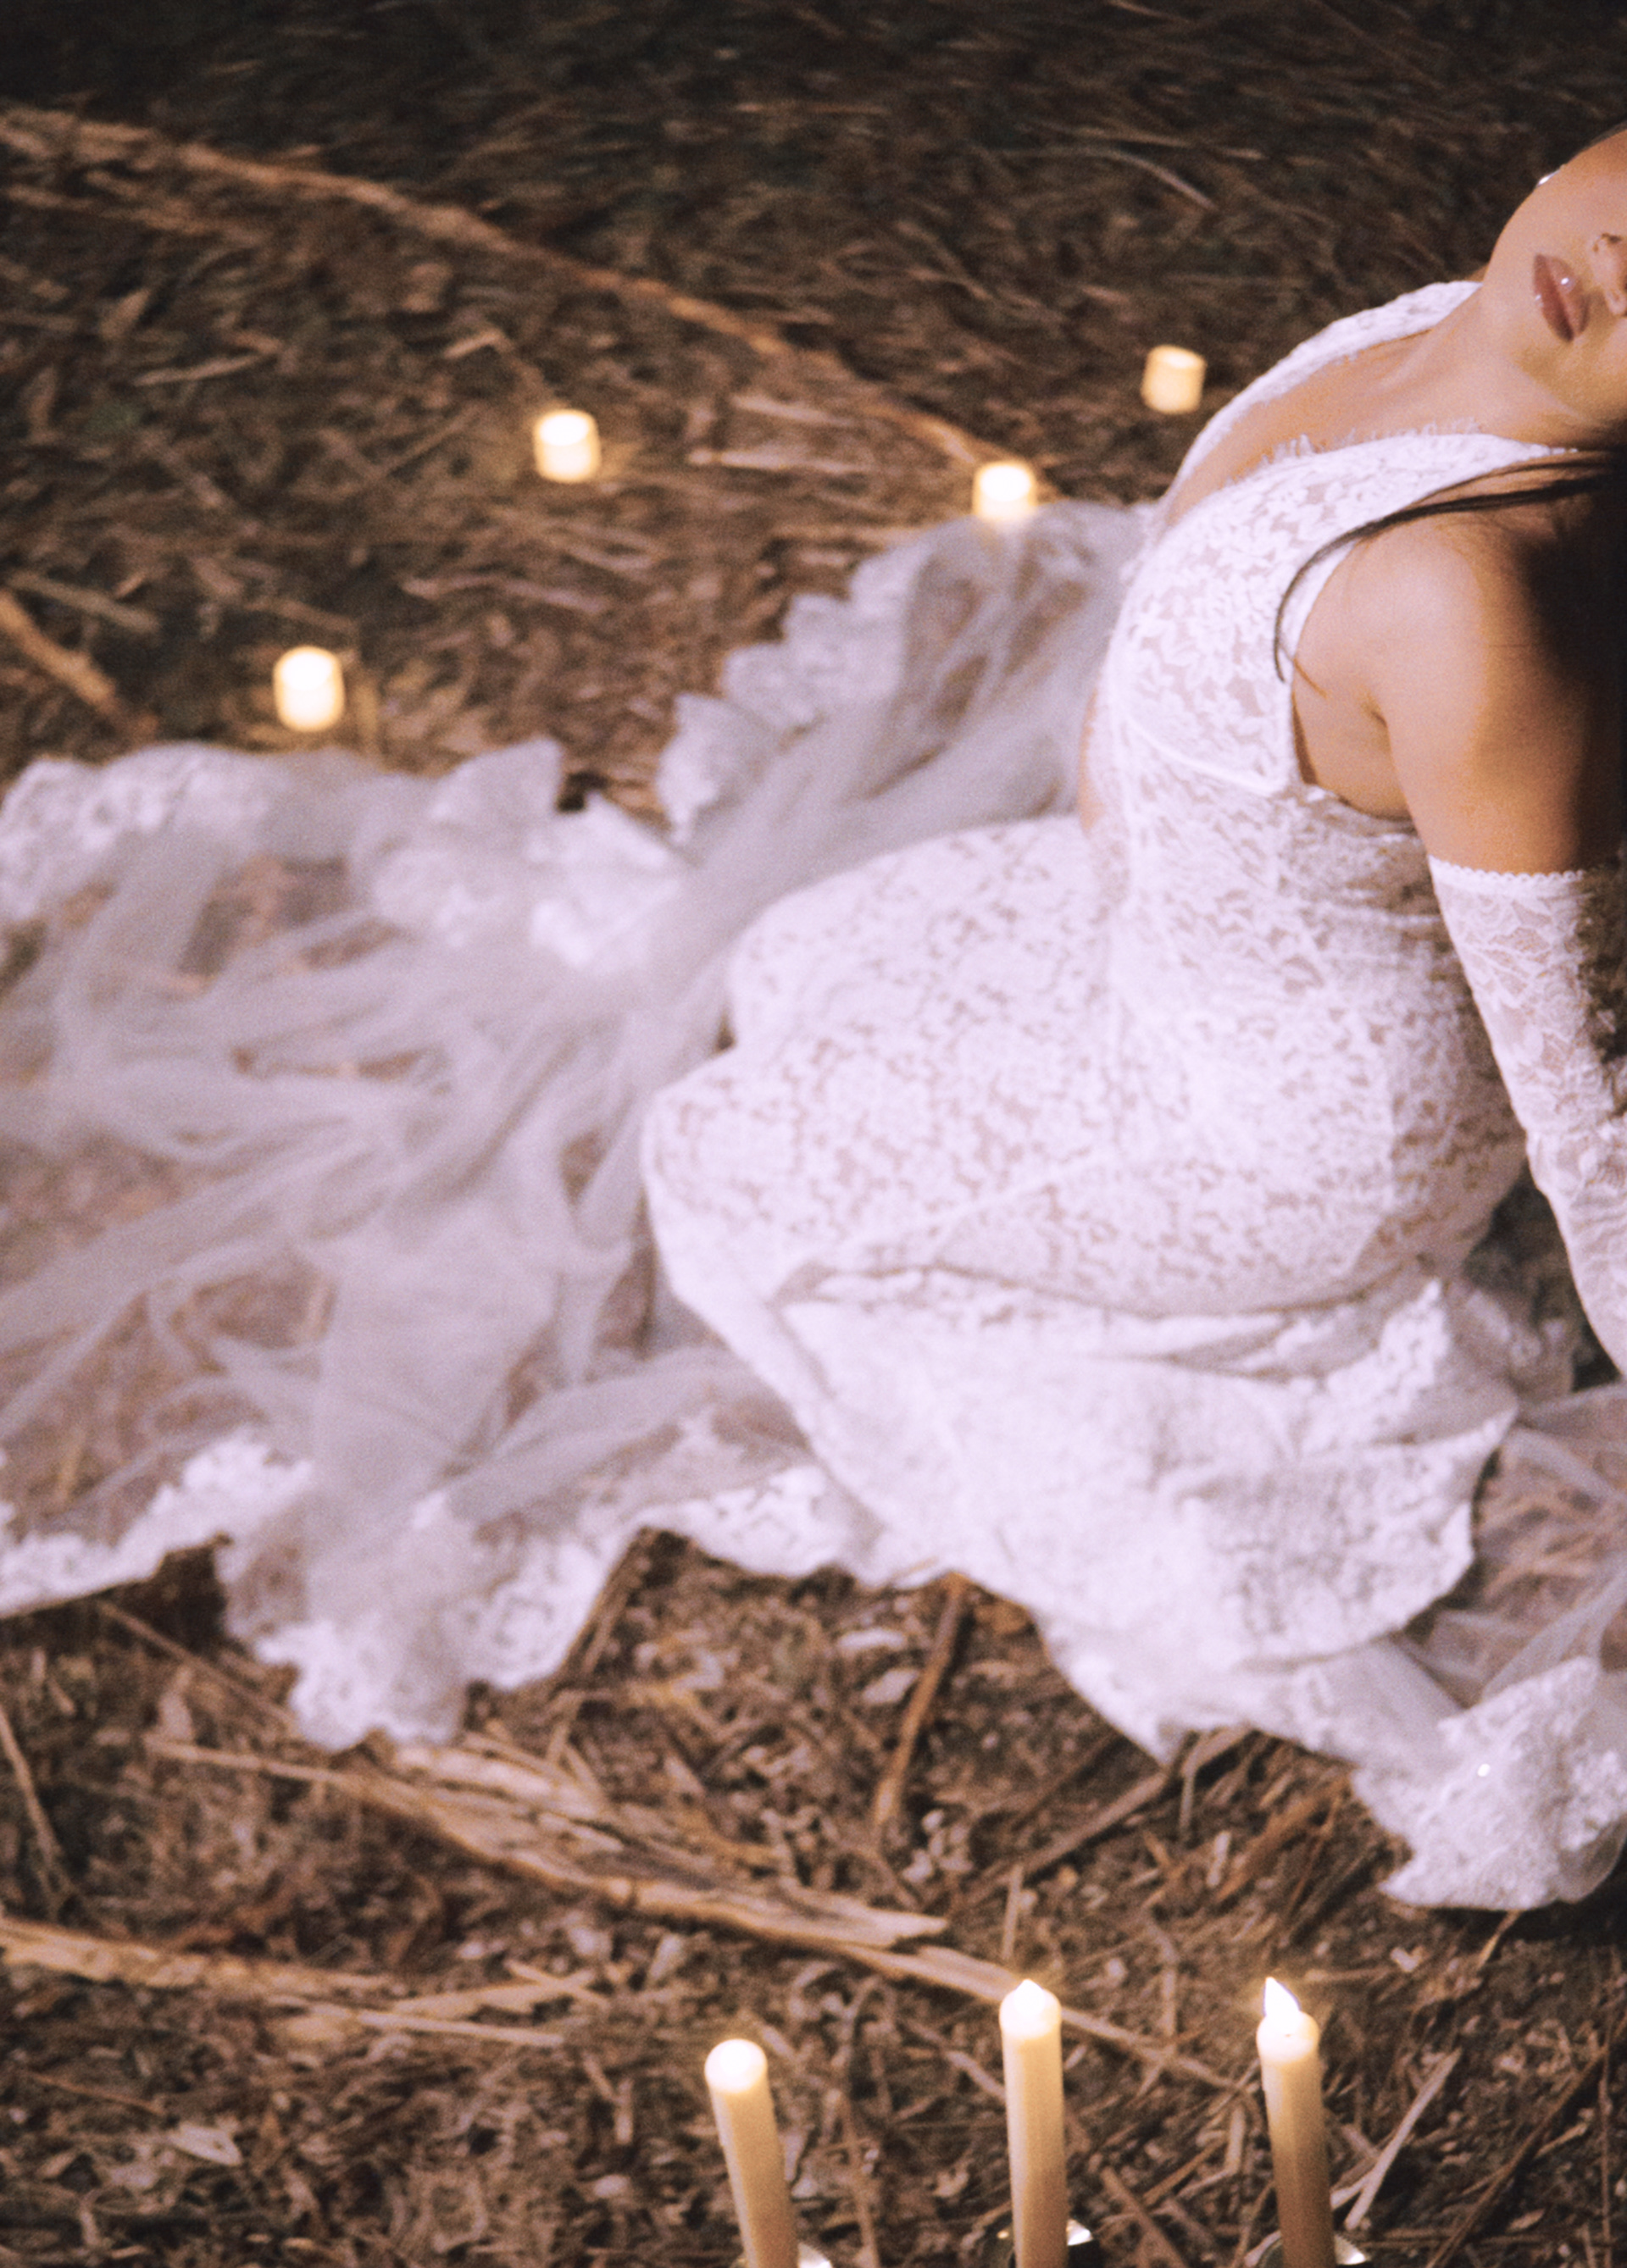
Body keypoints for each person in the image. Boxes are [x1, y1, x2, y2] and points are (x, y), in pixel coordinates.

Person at [3, 135, 1626, 1910]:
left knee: (714, 1162)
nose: (1619, 262)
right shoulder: (1445, 323)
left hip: (1289, 1114)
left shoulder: (1469, 601)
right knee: (786, 964)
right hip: (1170, 939)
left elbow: (1588, 1093)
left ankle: (1242, 1398)